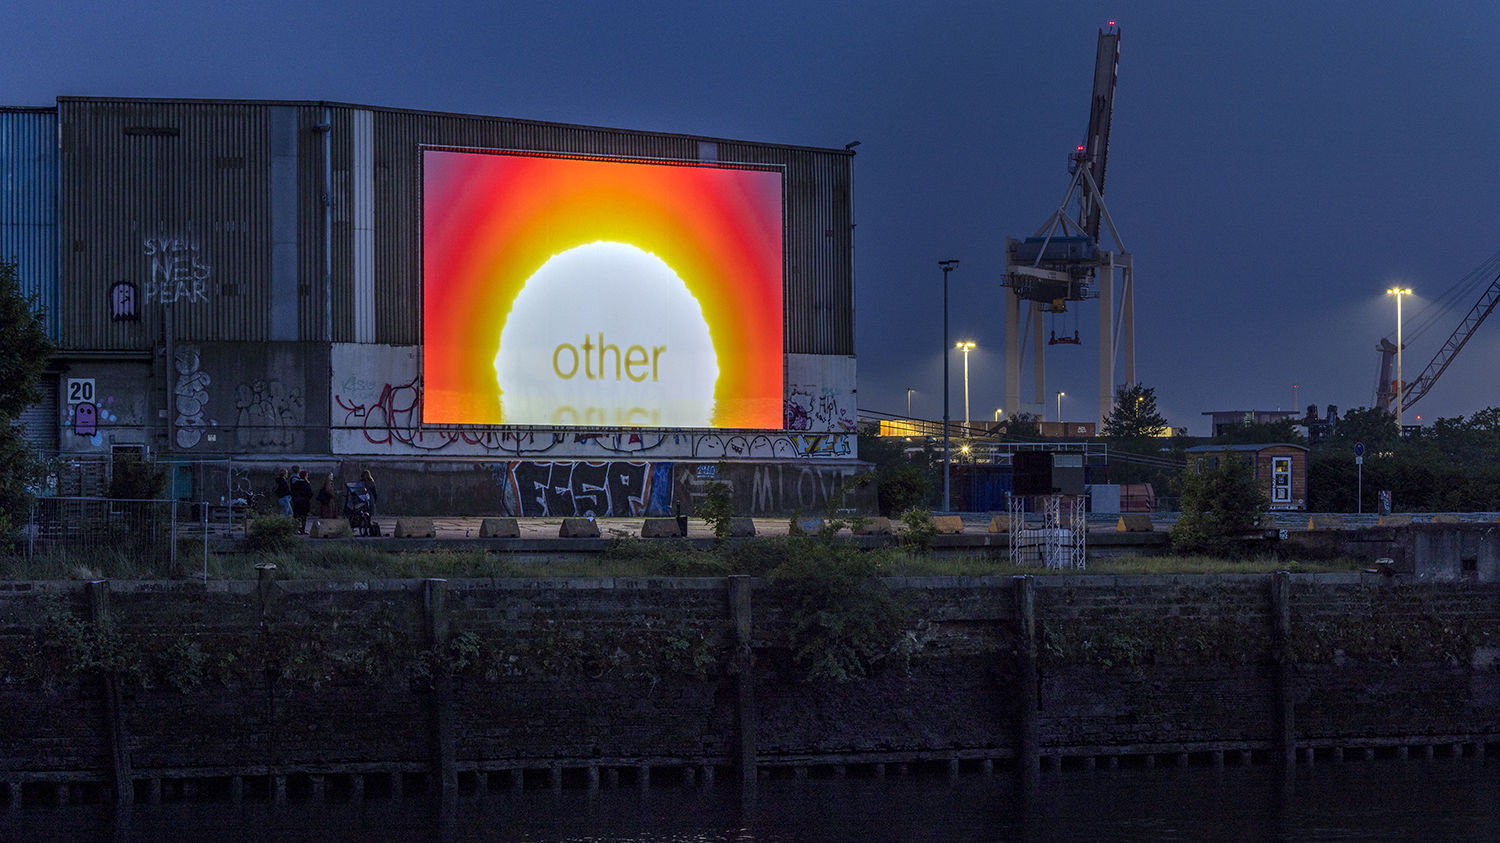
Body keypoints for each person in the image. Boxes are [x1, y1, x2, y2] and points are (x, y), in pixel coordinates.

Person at [290, 469, 314, 534]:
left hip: (297, 501)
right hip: (304, 502)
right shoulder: (306, 484)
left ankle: (295, 529)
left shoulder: (295, 483)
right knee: (303, 517)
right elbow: (310, 493)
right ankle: (302, 529)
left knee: (296, 516)